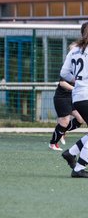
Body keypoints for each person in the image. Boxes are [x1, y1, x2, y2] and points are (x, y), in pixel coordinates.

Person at [60, 21, 88, 177]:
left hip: (78, 96)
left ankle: (71, 153)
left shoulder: (74, 50)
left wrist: (78, 80)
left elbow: (64, 74)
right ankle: (78, 168)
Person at [48, 80, 84, 151]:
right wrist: (75, 89)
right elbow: (62, 83)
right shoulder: (69, 69)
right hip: (62, 98)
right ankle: (52, 144)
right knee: (65, 122)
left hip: (72, 98)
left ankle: (62, 131)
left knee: (80, 119)